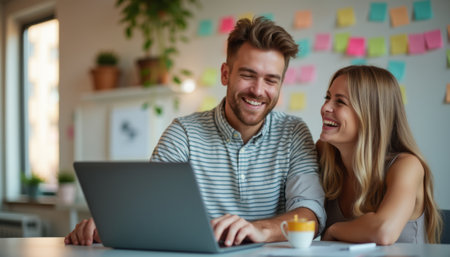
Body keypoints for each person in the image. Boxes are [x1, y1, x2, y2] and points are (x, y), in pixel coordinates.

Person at [64, 17, 326, 246]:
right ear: (225, 74)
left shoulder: (293, 133)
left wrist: (258, 229)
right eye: (248, 75)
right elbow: (150, 206)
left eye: (271, 80)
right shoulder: (184, 133)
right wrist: (104, 226)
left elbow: (310, 214)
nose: (258, 90)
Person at [318, 65, 442, 244]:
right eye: (327, 97)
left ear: (370, 114)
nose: (325, 108)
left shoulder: (407, 166)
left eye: (340, 102)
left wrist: (335, 230)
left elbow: (383, 231)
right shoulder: (324, 152)